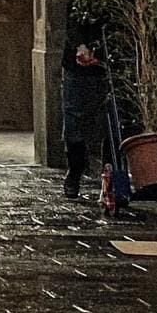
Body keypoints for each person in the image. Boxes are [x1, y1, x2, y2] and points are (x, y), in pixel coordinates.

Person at [61, 32, 110, 199]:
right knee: (75, 119)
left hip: (111, 56)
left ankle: (110, 177)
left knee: (112, 121)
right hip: (78, 65)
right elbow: (74, 17)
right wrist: (80, 44)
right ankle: (75, 171)